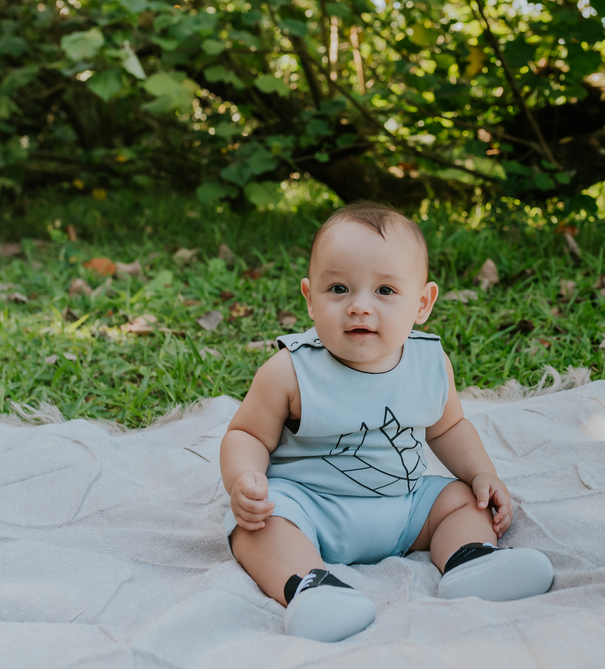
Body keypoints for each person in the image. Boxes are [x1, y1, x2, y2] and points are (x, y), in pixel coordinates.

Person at [220, 202, 553, 642]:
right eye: (338, 288)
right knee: (257, 526)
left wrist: (481, 474)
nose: (359, 307)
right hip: (312, 508)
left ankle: (471, 560)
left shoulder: (430, 362)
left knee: (458, 500)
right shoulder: (290, 370)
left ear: (422, 303)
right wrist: (244, 478)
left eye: (385, 291)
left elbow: (449, 428)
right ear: (309, 297)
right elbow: (245, 433)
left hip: (405, 508)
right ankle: (310, 587)